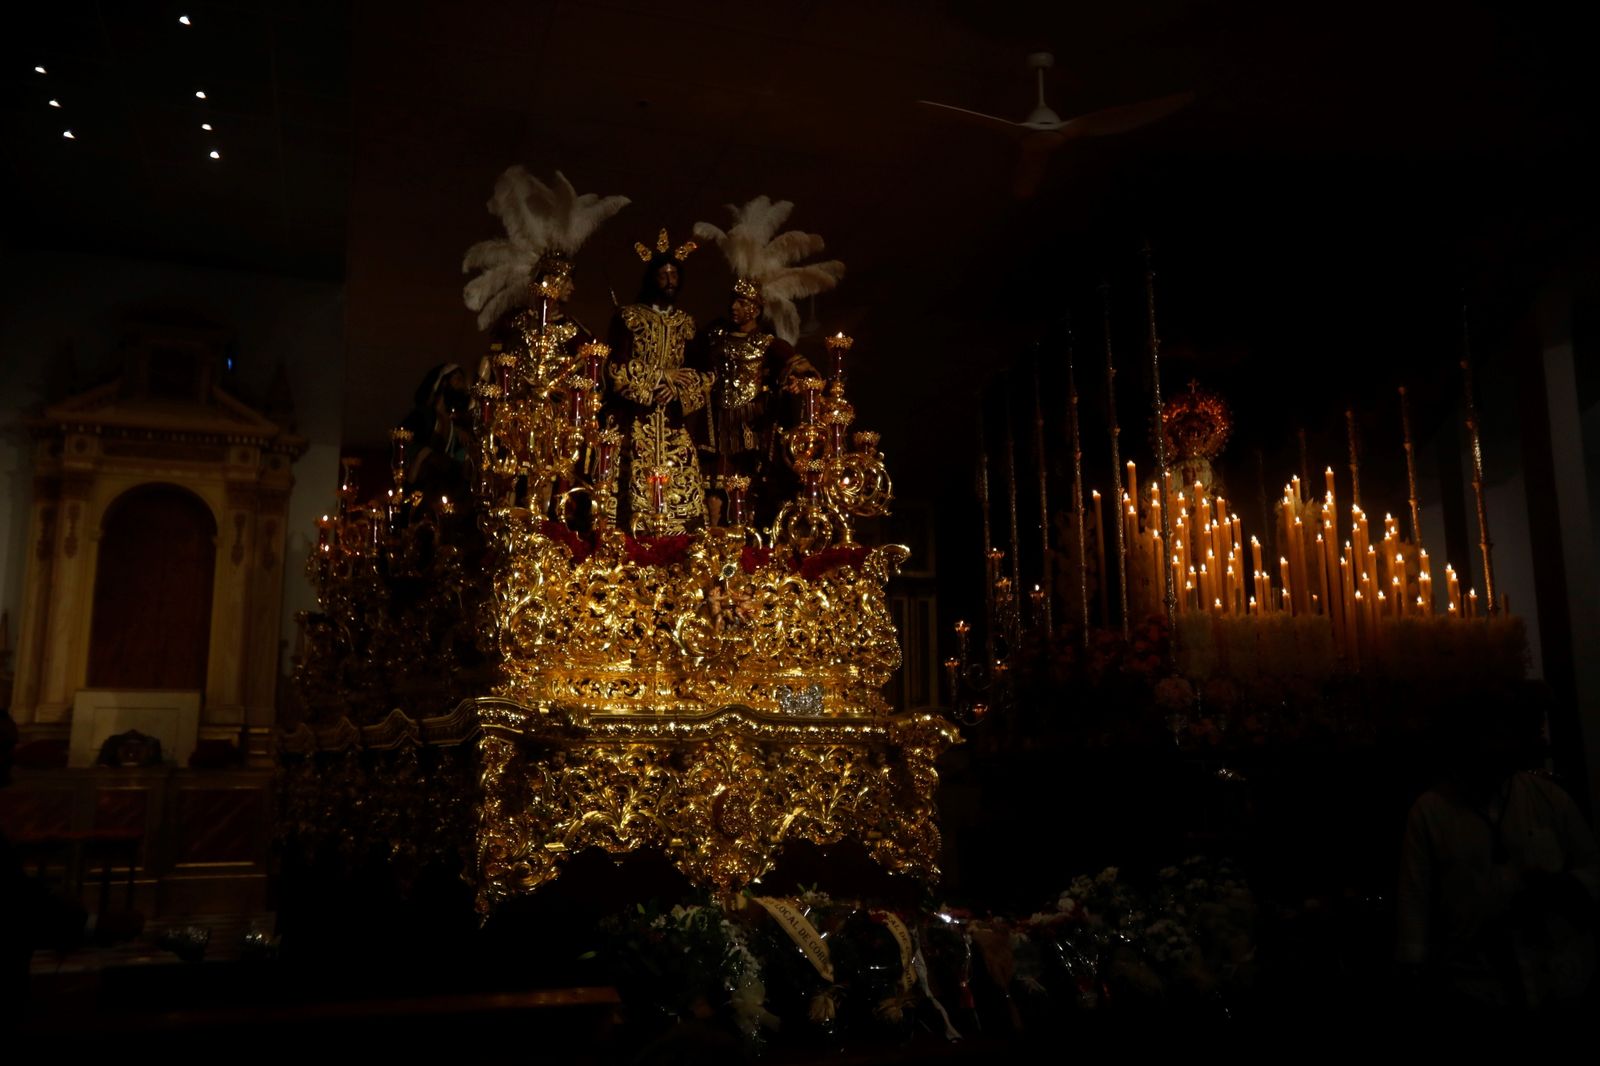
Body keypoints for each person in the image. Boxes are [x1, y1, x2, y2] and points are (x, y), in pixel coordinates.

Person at [1395, 684, 1598, 1022]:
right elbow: (1413, 903)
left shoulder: (1547, 798)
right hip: (1477, 991)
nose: (1500, 746)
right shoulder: (1429, 813)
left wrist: (1562, 888)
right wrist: (1413, 971)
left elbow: (1593, 868)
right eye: (1490, 735)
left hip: (1560, 980)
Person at [607, 229, 712, 535]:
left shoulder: (687, 324)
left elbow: (707, 374)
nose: (669, 281)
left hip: (674, 420)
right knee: (631, 478)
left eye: (674, 275)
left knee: (681, 481)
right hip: (635, 417)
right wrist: (661, 376)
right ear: (651, 278)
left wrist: (677, 389)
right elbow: (615, 369)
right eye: (663, 275)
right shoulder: (629, 318)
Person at [698, 280, 819, 526]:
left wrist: (800, 383)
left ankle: (746, 532)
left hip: (751, 421)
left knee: (750, 480)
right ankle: (714, 533)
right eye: (733, 301)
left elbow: (806, 371)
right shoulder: (715, 337)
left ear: (755, 308)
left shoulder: (768, 343)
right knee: (714, 482)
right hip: (717, 422)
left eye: (741, 302)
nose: (733, 307)